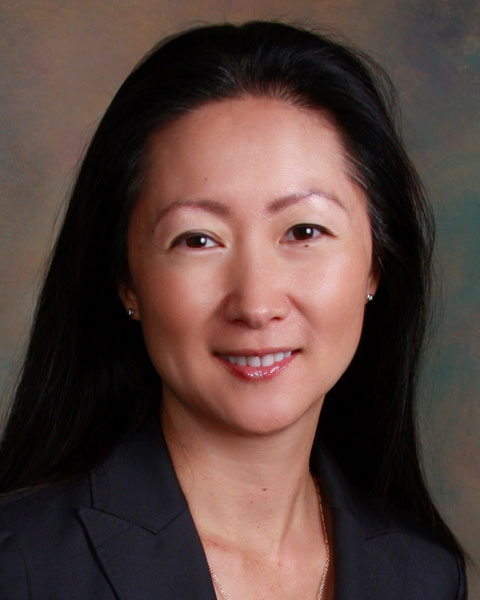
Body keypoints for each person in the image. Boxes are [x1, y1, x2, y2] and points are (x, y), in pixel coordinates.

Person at [0, 21, 467, 599]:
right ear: (126, 280)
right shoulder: (23, 567)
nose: (255, 304)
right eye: (198, 239)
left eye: (304, 231)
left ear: (376, 264)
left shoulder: (425, 577)